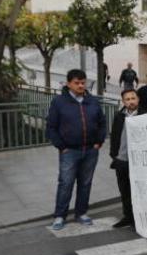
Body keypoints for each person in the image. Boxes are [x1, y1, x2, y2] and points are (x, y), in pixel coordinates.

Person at [46, 69, 107, 231]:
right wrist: (62, 146)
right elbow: (51, 127)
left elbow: (102, 122)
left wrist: (99, 142)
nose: (81, 85)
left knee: (85, 183)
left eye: (83, 82)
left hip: (90, 150)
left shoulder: (92, 101)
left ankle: (81, 213)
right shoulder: (59, 102)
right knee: (65, 183)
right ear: (68, 84)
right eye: (77, 83)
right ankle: (60, 215)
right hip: (69, 151)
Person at [108, 89, 140, 228]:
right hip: (122, 160)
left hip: (139, 162)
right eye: (127, 99)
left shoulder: (146, 115)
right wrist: (114, 155)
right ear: (123, 102)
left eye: (133, 98)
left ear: (138, 99)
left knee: (138, 191)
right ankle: (128, 216)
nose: (131, 101)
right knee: (124, 191)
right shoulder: (119, 116)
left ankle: (140, 218)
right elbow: (114, 135)